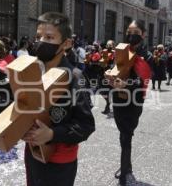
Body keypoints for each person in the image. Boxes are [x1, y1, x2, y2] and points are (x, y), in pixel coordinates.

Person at [22, 12, 95, 186]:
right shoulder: (32, 73)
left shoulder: (76, 77)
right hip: (33, 155)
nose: (41, 42)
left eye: (49, 37)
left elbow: (86, 126)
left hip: (60, 162)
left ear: (66, 43)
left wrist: (52, 134)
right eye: (38, 36)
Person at [104, 20, 152, 186]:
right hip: (118, 99)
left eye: (136, 31)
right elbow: (114, 68)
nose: (131, 35)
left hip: (134, 102)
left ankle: (125, 172)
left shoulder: (147, 56)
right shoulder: (121, 50)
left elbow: (142, 81)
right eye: (128, 31)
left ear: (143, 34)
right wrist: (109, 74)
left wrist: (127, 84)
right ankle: (127, 166)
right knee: (123, 135)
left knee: (127, 135)